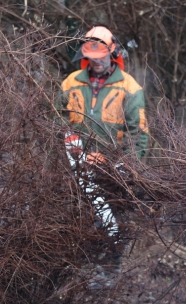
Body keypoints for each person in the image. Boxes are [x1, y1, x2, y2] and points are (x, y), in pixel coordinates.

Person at [59, 26, 149, 238]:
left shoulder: (129, 87)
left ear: (112, 50)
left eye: (101, 56)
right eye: (92, 57)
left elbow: (139, 134)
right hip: (73, 170)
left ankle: (112, 267)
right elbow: (56, 118)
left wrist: (122, 168)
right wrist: (68, 142)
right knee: (73, 229)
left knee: (112, 231)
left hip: (111, 175)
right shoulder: (70, 83)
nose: (97, 61)